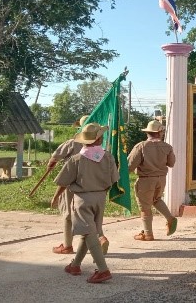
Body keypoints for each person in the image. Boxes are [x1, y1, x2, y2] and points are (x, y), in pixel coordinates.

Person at [51, 122, 119, 284]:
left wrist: (55, 197)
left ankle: (103, 269)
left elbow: (64, 182)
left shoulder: (76, 159)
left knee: (89, 232)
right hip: (100, 197)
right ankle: (75, 265)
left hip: (82, 199)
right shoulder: (108, 157)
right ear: (99, 140)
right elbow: (114, 179)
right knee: (88, 231)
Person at [49, 115, 109, 255]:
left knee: (68, 215)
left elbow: (55, 160)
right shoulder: (102, 151)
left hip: (74, 186)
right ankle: (100, 237)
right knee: (93, 217)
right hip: (96, 188)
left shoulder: (72, 145)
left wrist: (55, 196)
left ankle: (68, 245)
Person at [128, 120, 178, 241]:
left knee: (145, 207)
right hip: (161, 179)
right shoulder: (167, 147)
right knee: (156, 199)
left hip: (146, 180)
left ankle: (148, 234)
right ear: (160, 132)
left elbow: (129, 166)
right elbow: (171, 163)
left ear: (148, 132)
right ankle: (170, 219)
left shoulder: (141, 146)